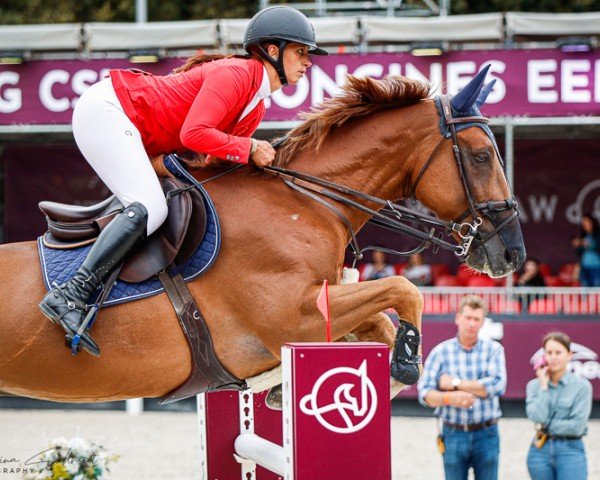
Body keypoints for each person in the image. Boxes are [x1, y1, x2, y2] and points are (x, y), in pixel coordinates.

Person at [38, 6, 328, 357]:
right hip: (107, 110)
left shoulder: (256, 105)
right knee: (151, 207)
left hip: (129, 126)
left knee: (163, 203)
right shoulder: (237, 74)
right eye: (301, 51)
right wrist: (249, 147)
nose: (308, 61)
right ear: (272, 50)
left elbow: (214, 164)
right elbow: (195, 134)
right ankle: (70, 294)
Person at [417, 295, 507, 480]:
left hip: (487, 432)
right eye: (468, 318)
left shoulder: (494, 349)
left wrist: (455, 383)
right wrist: (448, 398)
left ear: (483, 322)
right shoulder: (441, 352)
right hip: (453, 432)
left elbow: (497, 386)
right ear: (458, 318)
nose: (472, 324)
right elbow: (424, 393)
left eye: (477, 319)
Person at [526, 332, 592, 480]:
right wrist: (544, 386)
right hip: (540, 451)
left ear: (569, 355)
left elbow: (577, 426)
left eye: (558, 352)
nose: (553, 357)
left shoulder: (582, 386)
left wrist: (546, 426)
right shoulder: (534, 386)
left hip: (570, 449)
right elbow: (537, 416)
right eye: (549, 353)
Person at [571, 213, 600, 287]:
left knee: (596, 290)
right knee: (585, 289)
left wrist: (589, 245)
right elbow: (579, 253)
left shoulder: (597, 235)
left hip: (597, 267)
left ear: (592, 222)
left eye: (587, 222)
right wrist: (578, 245)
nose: (585, 224)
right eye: (583, 222)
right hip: (584, 267)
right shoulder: (583, 236)